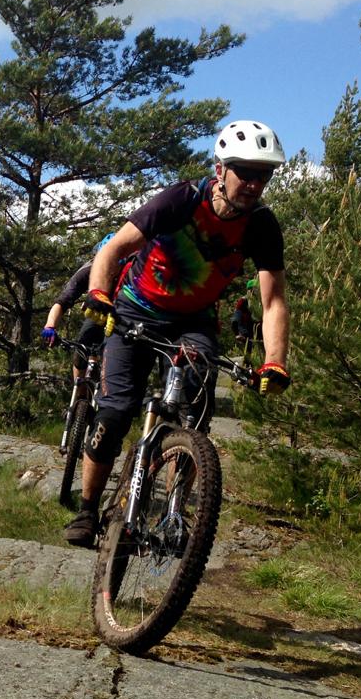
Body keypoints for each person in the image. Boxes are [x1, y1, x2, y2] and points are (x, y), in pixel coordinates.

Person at [64, 119, 292, 547]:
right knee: (114, 414)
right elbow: (113, 249)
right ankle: (88, 509)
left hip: (194, 321)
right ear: (220, 168)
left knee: (195, 413)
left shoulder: (261, 226)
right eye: (246, 171)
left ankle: (172, 511)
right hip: (136, 308)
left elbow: (273, 301)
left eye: (265, 174)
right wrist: (98, 294)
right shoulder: (182, 200)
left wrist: (275, 361)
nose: (255, 183)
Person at [41, 233, 114, 382]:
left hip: (122, 312)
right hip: (98, 311)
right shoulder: (87, 272)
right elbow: (62, 301)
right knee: (82, 346)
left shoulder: (131, 270)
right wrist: (50, 326)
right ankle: (78, 393)